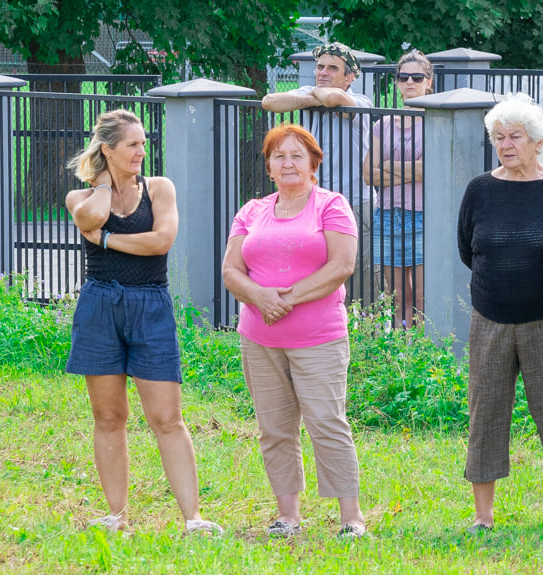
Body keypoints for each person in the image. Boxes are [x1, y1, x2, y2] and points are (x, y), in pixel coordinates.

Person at [64, 109, 221, 535]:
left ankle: (193, 518)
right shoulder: (80, 197)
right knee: (108, 416)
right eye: (132, 144)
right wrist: (100, 181)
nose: (141, 151)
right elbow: (91, 219)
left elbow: (160, 242)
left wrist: (111, 241)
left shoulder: (159, 189)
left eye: (144, 143)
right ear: (107, 149)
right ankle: (117, 516)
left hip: (151, 305)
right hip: (100, 306)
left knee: (167, 417)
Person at [222, 123, 367, 539]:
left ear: (312, 164)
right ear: (268, 166)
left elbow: (341, 266)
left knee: (326, 421)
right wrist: (260, 297)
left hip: (318, 337)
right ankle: (287, 516)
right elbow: (232, 271)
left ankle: (351, 519)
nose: (287, 162)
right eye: (278, 156)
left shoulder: (331, 205)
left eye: (296, 155)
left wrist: (286, 299)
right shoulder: (251, 211)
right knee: (275, 428)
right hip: (259, 338)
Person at [457, 94, 543, 532]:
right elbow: (468, 249)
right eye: (498, 137)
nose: (505, 145)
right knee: (485, 412)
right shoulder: (480, 189)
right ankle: (482, 517)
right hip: (488, 316)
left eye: (514, 136)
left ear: (538, 141)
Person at [261, 42, 375, 305]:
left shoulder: (360, 101)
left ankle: (365, 334)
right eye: (320, 66)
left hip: (355, 202)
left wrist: (312, 97)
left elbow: (336, 100)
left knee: (359, 277)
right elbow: (270, 102)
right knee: (315, 271)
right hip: (312, 204)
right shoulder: (312, 92)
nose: (323, 72)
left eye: (332, 68)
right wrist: (314, 96)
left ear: (349, 78)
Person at [362, 49, 432, 327]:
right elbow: (369, 175)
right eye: (403, 77)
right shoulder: (384, 124)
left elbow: (428, 171)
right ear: (397, 83)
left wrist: (389, 165)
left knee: (423, 295)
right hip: (388, 216)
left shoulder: (433, 121)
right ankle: (404, 348)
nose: (410, 82)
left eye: (417, 76)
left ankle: (426, 351)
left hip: (423, 216)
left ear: (429, 81)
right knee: (398, 295)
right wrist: (411, 170)